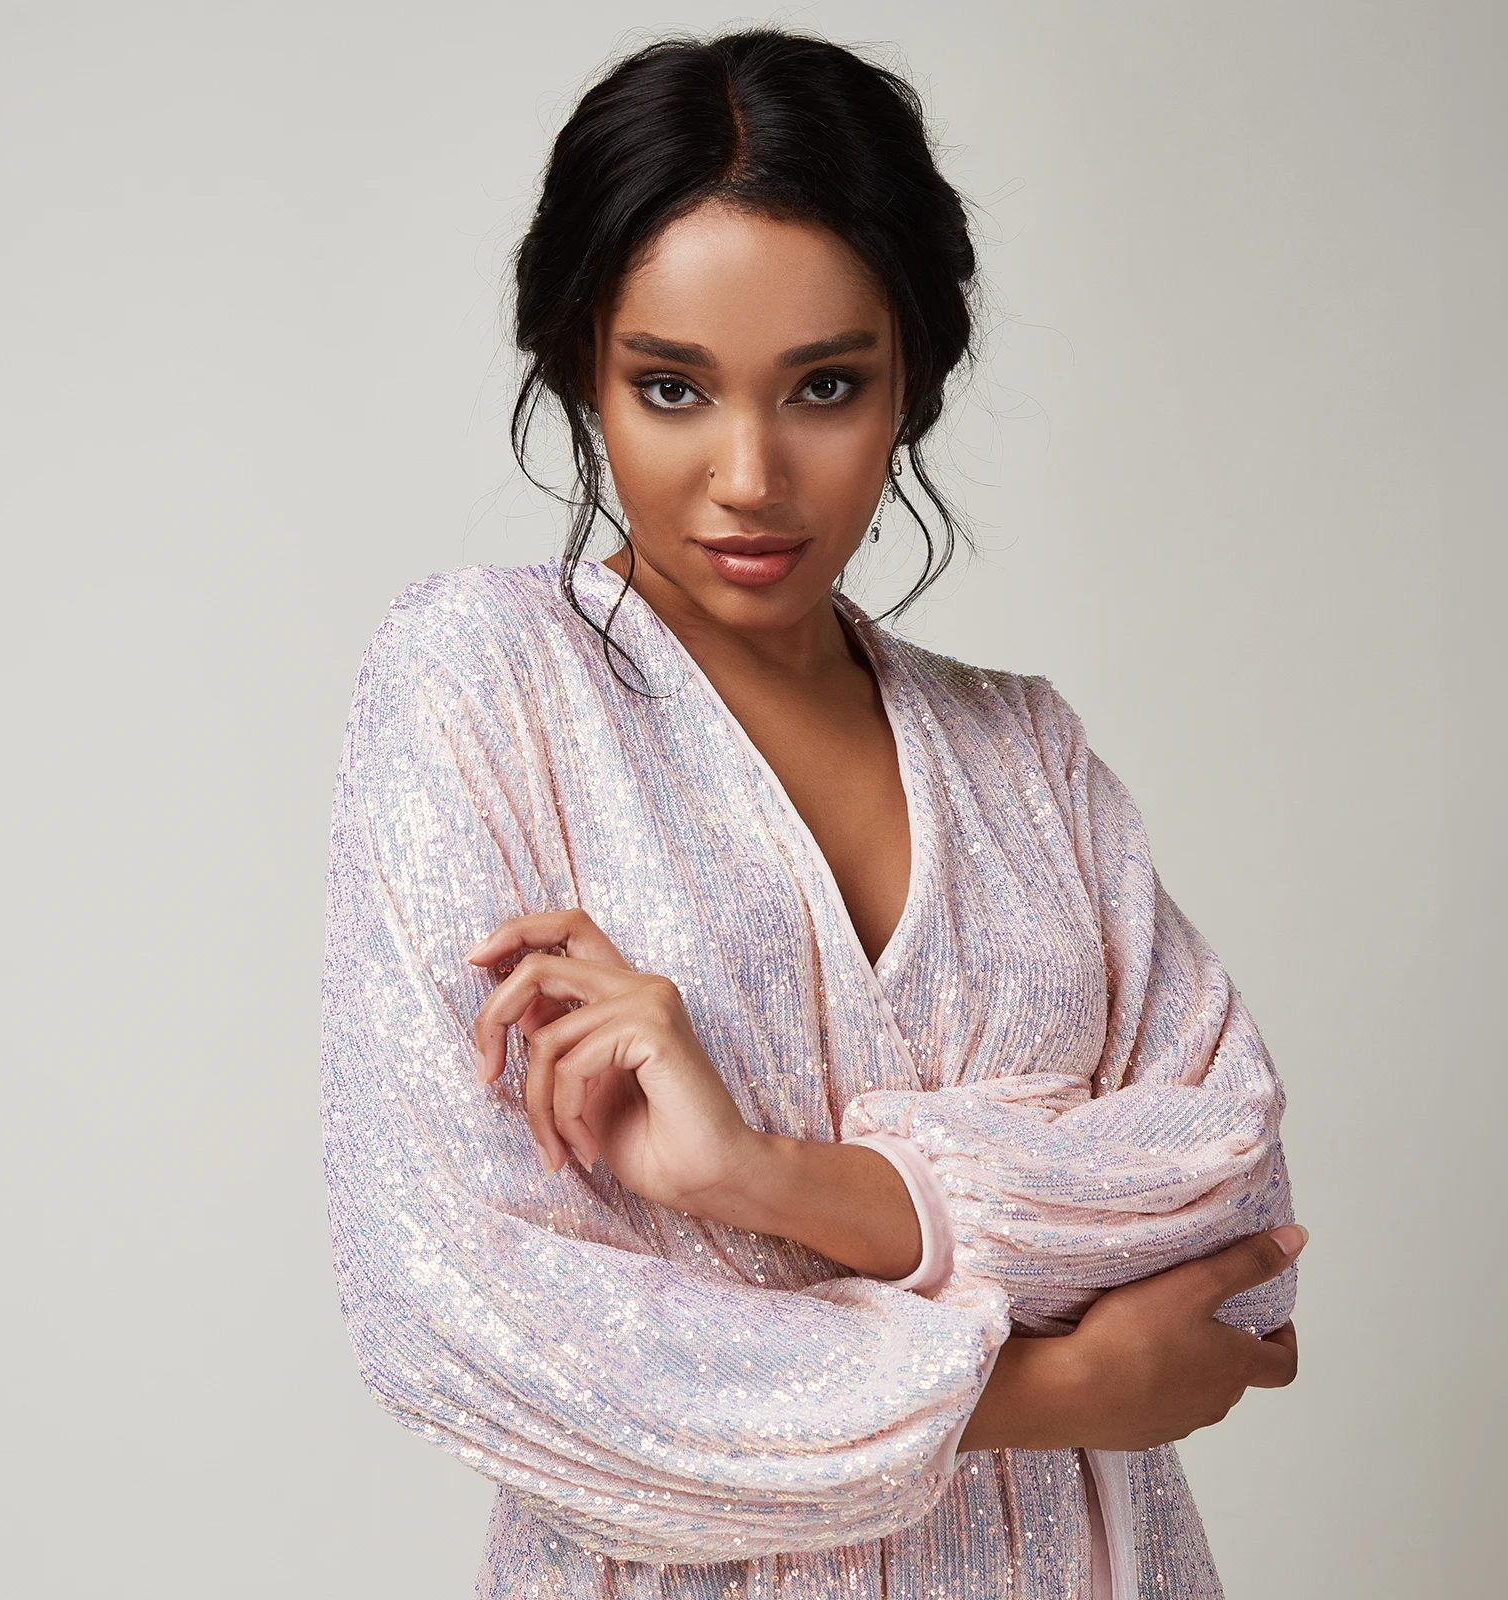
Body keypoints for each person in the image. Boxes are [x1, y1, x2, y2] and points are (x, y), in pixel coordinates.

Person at [321, 29, 1303, 1599]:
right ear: (584, 369)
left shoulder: (1022, 753)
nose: (749, 477)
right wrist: (1052, 1390)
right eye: (670, 389)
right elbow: (472, 1311)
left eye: (826, 387)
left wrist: (756, 1179)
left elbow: (1233, 1190)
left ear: (912, 380)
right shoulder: (485, 686)